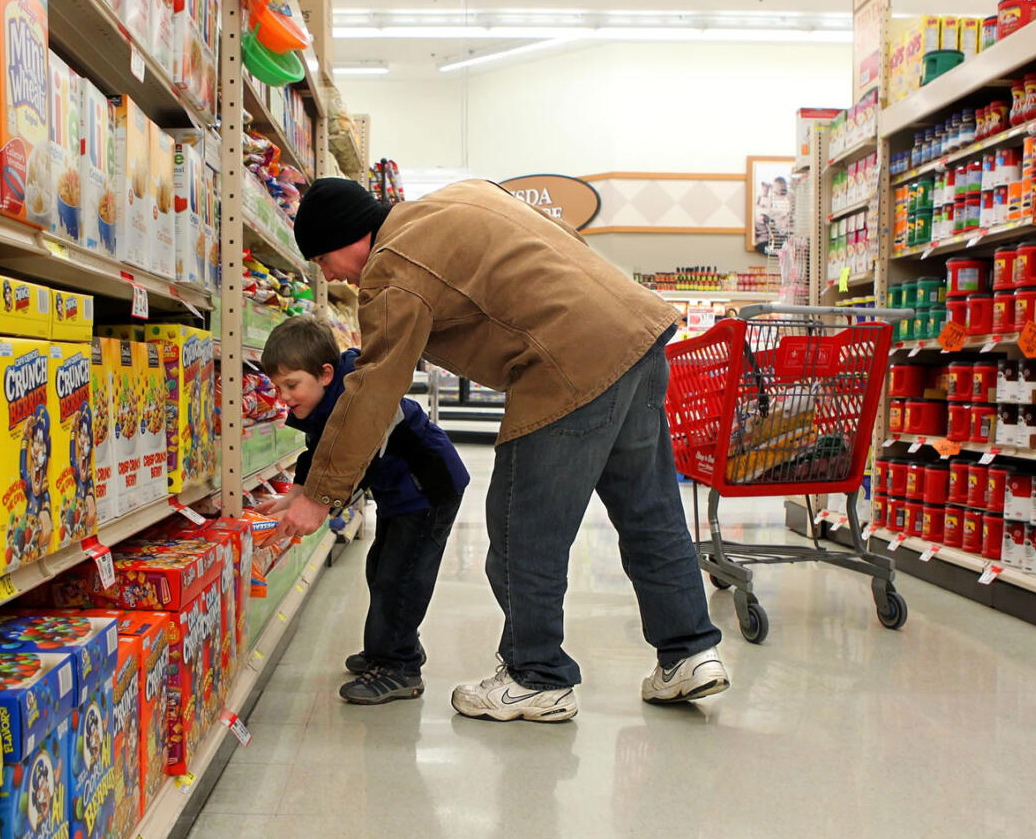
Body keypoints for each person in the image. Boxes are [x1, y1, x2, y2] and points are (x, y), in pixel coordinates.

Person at [275, 177, 727, 723]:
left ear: (352, 236)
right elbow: (562, 244)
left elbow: (374, 387)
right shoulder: (462, 195)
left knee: (522, 525)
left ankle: (536, 676)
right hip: (636, 332)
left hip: (565, 360)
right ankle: (690, 654)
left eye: (324, 258)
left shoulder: (391, 270)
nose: (328, 274)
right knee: (648, 510)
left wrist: (319, 496)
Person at [257, 316, 469, 705]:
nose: (283, 396)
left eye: (291, 385)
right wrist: (296, 494)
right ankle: (389, 647)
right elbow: (318, 451)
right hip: (400, 495)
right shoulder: (325, 399)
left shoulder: (359, 398)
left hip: (429, 490)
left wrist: (318, 504)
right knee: (381, 568)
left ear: (324, 373)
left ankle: (400, 667)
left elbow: (354, 461)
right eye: (277, 387)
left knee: (400, 577)